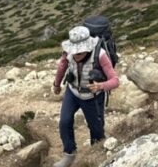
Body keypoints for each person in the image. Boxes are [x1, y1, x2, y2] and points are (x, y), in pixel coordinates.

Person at [51, 25, 119, 167]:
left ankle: (95, 155)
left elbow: (115, 80)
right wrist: (57, 84)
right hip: (72, 92)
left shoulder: (100, 55)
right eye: (74, 52)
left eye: (79, 52)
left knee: (96, 130)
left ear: (87, 48)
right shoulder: (68, 52)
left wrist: (101, 86)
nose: (76, 55)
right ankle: (69, 153)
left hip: (93, 97)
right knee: (64, 122)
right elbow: (62, 66)